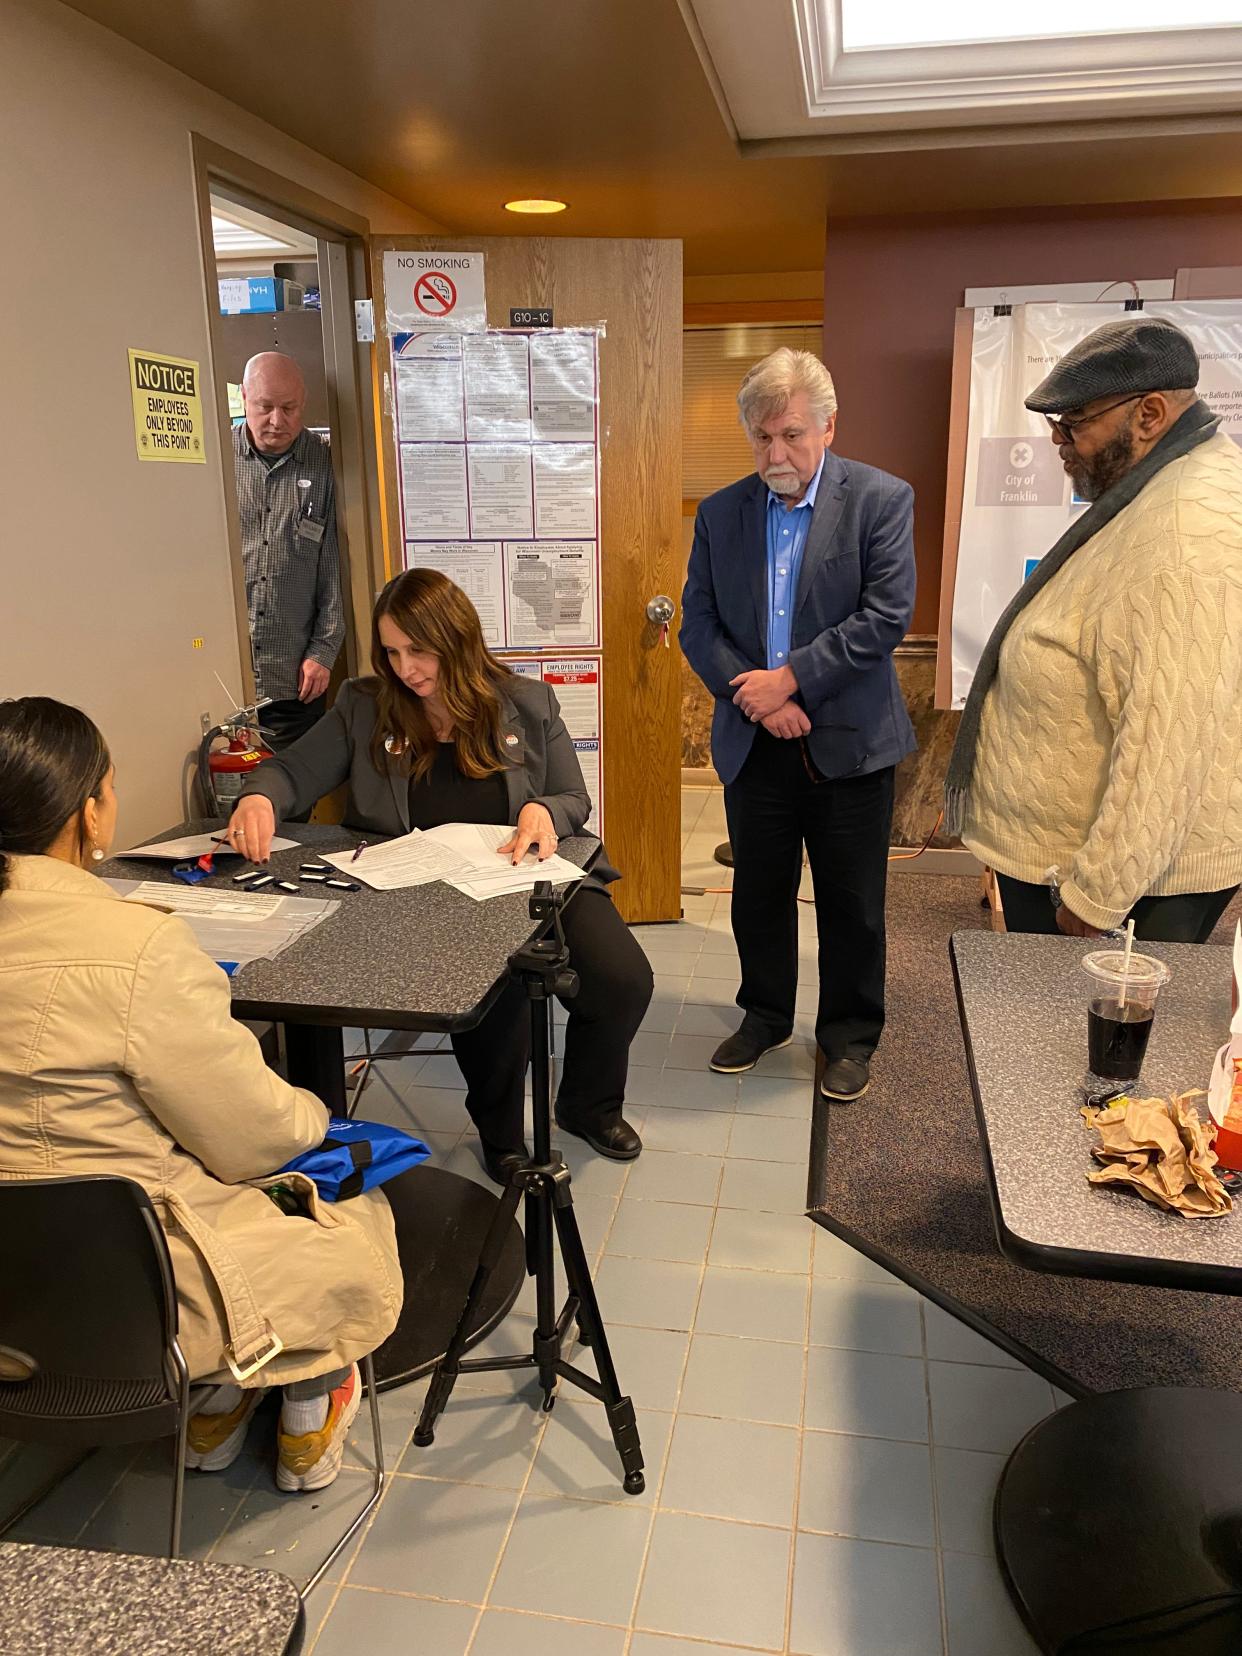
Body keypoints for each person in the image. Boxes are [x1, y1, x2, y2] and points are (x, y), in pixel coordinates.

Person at [0, 697, 401, 1491]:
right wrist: (319, 1114)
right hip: (144, 1292)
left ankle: (217, 1407)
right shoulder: (135, 946)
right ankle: (296, 1409)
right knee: (344, 1193)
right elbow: (258, 1136)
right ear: (90, 812)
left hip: (15, 1297)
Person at [226, 569, 651, 1180]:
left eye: (419, 651)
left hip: (522, 874)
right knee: (495, 998)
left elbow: (570, 798)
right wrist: (260, 798)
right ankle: (502, 1136)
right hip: (417, 892)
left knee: (623, 980)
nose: (406, 669)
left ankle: (588, 1104)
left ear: (457, 640)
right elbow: (291, 772)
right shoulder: (366, 706)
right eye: (393, 652)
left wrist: (542, 810)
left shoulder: (527, 703)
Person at [945, 314, 1242, 943]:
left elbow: (1168, 742)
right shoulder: (1161, 483)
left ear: (1150, 414)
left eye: (1075, 423)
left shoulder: (1183, 530)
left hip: (1117, 888)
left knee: (1080, 1039)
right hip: (1085, 864)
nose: (1058, 439)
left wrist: (1095, 901)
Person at [680, 348, 916, 1103]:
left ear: (828, 427)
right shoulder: (722, 514)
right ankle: (765, 1016)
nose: (774, 454)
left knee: (852, 902)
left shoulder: (881, 500)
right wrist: (760, 699)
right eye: (760, 438)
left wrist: (792, 678)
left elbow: (885, 617)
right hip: (757, 743)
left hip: (849, 744)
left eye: (789, 435)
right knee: (759, 894)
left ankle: (849, 1037)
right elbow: (699, 624)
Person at [233, 352, 345, 751]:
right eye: (264, 407)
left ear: (304, 402)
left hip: (296, 677)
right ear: (244, 396)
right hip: (226, 676)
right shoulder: (217, 462)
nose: (276, 421)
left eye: (289, 408)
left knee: (294, 801)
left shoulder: (327, 464)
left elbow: (334, 567)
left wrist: (324, 650)